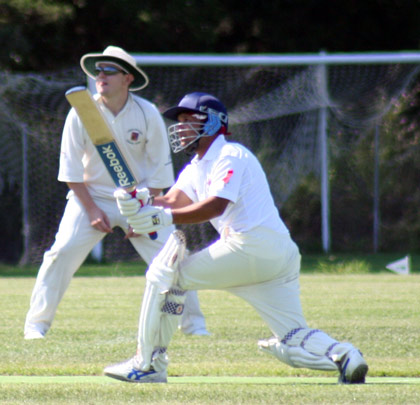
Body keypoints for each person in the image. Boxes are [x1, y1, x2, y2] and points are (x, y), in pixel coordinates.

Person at [103, 91, 369, 384]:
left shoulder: (231, 155)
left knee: (167, 276)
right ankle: (345, 354)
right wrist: (140, 203)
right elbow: (171, 201)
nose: (180, 127)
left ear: (214, 123)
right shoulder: (195, 167)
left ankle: (148, 364)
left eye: (189, 120)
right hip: (276, 255)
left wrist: (161, 216)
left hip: (250, 245)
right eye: (179, 121)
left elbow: (215, 206)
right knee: (292, 337)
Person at [24, 47, 208, 340]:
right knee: (60, 253)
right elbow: (70, 171)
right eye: (98, 70)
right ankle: (36, 326)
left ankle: (195, 326)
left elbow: (160, 172)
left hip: (142, 199)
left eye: (109, 70)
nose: (100, 76)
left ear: (127, 78)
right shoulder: (81, 113)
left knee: (173, 257)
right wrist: (93, 210)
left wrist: (144, 210)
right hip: (92, 198)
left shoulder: (148, 114)